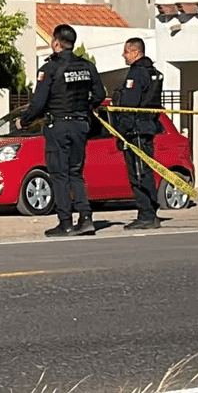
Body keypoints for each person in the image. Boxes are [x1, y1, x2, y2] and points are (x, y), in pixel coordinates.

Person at [16, 24, 106, 237]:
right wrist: (84, 108)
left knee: (59, 174)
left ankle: (65, 222)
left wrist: (24, 121)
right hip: (80, 125)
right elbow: (100, 95)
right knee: (75, 173)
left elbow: (38, 103)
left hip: (59, 126)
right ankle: (85, 218)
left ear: (56, 43)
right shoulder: (87, 66)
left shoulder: (50, 68)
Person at [112, 37, 165, 230]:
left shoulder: (137, 73)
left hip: (136, 131)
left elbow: (128, 105)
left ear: (135, 52)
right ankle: (150, 212)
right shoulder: (153, 73)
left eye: (126, 51)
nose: (123, 55)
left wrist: (122, 132)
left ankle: (146, 215)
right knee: (145, 171)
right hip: (147, 127)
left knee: (138, 174)